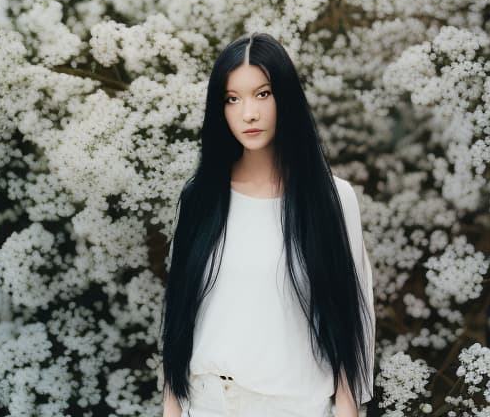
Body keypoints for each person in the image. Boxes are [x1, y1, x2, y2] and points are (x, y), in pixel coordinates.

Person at [160, 32, 375, 417]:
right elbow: (179, 317)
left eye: (263, 94)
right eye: (232, 98)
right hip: (208, 403)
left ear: (286, 98)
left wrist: (348, 410)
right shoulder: (199, 198)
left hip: (294, 406)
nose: (249, 113)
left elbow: (351, 321)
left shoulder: (331, 199)